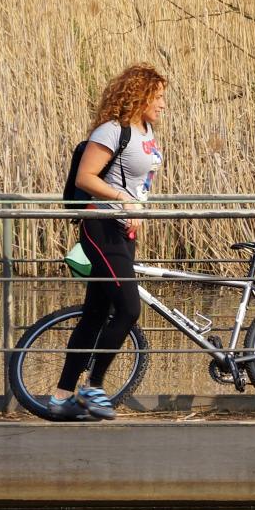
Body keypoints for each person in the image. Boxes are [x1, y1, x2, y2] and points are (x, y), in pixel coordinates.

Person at [49, 64, 168, 421]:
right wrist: (122, 199)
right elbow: (86, 177)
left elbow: (138, 183)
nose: (163, 104)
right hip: (100, 228)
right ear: (140, 95)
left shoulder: (145, 131)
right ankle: (93, 387)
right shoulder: (112, 130)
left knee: (95, 315)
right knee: (129, 309)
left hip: (122, 231)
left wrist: (135, 209)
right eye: (158, 97)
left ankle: (60, 398)